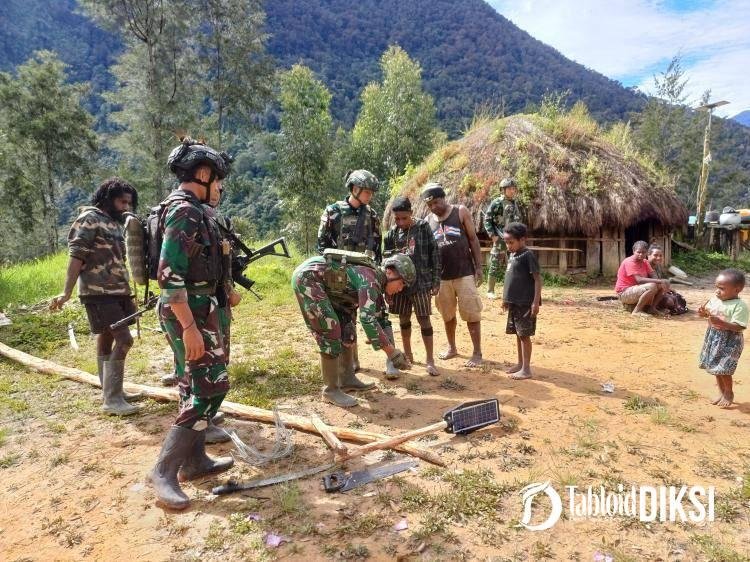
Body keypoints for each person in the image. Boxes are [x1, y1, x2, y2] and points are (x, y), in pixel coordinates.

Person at [147, 138, 234, 510]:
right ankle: (164, 470)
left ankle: (195, 461)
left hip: (200, 305)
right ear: (202, 174)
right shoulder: (186, 211)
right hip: (188, 310)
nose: (220, 188)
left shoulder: (195, 210)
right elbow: (168, 275)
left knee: (195, 383)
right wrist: (189, 327)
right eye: (217, 180)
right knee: (210, 387)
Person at [50, 177, 142, 416]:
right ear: (108, 199)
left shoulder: (112, 222)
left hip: (118, 290)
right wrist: (66, 291)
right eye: (122, 202)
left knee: (106, 339)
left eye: (129, 203)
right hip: (99, 292)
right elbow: (76, 257)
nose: (126, 207)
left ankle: (112, 391)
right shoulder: (88, 219)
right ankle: (112, 399)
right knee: (125, 340)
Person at [292, 251, 413, 407]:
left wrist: (393, 353)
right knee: (330, 329)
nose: (401, 288)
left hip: (329, 287)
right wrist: (393, 353)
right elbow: (368, 320)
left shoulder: (377, 281)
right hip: (308, 279)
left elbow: (379, 319)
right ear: (389, 272)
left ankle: (347, 379)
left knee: (347, 328)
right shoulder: (371, 281)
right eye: (402, 283)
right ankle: (330, 391)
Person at [317, 170, 396, 377]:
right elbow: (322, 247)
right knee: (346, 319)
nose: (370, 196)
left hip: (368, 275)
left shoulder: (372, 215)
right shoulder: (333, 212)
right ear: (354, 189)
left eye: (371, 192)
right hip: (341, 278)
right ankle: (351, 364)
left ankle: (392, 361)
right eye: (367, 192)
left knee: (380, 316)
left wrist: (379, 276)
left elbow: (378, 248)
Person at [422, 182, 484, 367]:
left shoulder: (461, 211)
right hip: (441, 277)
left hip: (464, 273)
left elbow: (473, 239)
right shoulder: (428, 221)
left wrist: (479, 267)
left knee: (471, 314)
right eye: (430, 205)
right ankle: (452, 347)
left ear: (443, 198)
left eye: (436, 203)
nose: (434, 208)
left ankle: (477, 352)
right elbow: (428, 251)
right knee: (447, 315)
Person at [384, 196, 441, 376]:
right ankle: (408, 354)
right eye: (397, 219)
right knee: (403, 319)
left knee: (424, 319)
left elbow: (435, 253)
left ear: (411, 213)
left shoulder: (423, 227)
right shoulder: (392, 234)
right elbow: (386, 262)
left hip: (422, 283)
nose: (400, 222)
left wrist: (436, 280)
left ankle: (430, 360)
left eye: (404, 218)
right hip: (400, 287)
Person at [698, 269, 748, 408]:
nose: (717, 291)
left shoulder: (740, 306)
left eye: (722, 288)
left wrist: (721, 323)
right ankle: (721, 391)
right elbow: (708, 315)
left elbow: (740, 327)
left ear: (736, 290)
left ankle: (728, 392)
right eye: (716, 287)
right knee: (715, 367)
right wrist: (703, 313)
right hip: (713, 337)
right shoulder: (715, 299)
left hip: (731, 340)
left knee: (724, 367)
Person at [501, 223, 542, 380]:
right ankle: (520, 364)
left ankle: (526, 369)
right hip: (514, 302)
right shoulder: (512, 255)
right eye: (506, 242)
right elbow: (510, 279)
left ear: (522, 239)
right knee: (518, 334)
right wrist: (506, 299)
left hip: (525, 302)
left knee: (524, 335)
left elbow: (537, 280)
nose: (508, 245)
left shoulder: (528, 255)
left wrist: (535, 302)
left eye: (511, 242)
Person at [483, 178, 523, 299]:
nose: (512, 191)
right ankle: (490, 290)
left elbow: (518, 220)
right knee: (495, 262)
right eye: (510, 189)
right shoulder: (497, 203)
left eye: (513, 189)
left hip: (513, 239)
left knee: (514, 264)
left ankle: (513, 290)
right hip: (500, 239)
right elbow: (487, 219)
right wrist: (493, 235)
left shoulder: (514, 203)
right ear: (503, 190)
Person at [614, 240, 670, 315]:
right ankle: (636, 311)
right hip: (624, 292)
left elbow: (654, 276)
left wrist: (663, 283)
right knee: (653, 285)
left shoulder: (645, 262)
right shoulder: (629, 262)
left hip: (636, 290)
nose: (641, 254)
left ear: (647, 253)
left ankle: (652, 308)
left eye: (643, 252)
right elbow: (639, 280)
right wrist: (660, 281)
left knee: (660, 285)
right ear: (633, 251)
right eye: (638, 252)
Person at [647, 245, 687, 315]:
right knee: (670, 301)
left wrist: (669, 289)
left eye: (660, 255)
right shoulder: (645, 266)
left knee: (677, 298)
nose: (658, 258)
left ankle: (661, 307)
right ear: (648, 255)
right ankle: (654, 308)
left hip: (659, 292)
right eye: (655, 255)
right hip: (650, 293)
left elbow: (661, 281)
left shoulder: (658, 267)